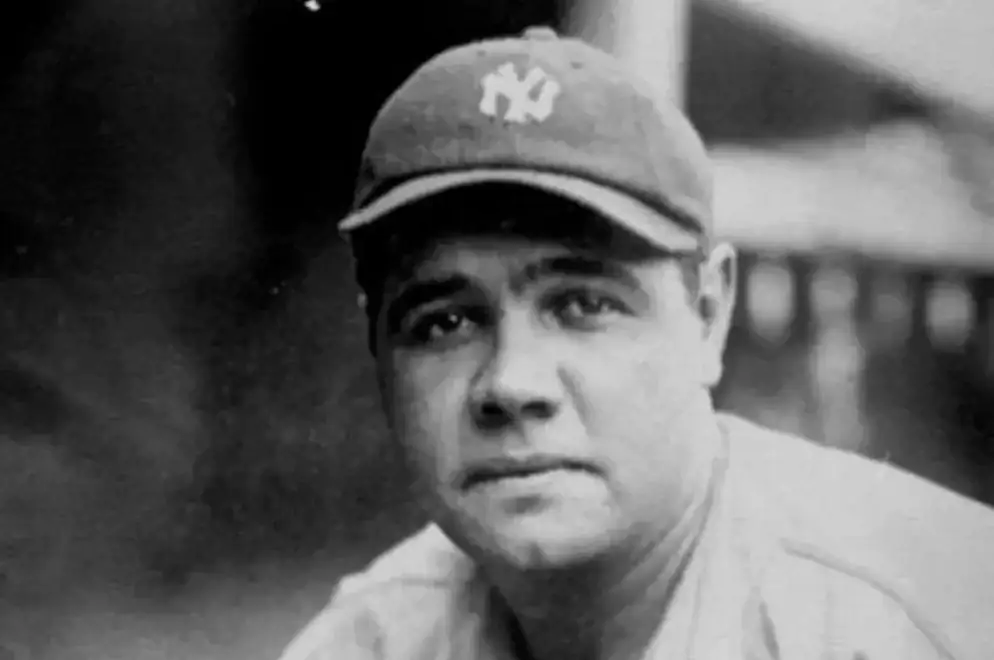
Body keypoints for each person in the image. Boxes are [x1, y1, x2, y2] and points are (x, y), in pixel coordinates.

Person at [277, 26, 994, 660]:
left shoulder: (921, 620)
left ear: (708, 314)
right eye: (444, 322)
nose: (512, 383)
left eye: (584, 304)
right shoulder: (372, 639)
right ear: (377, 346)